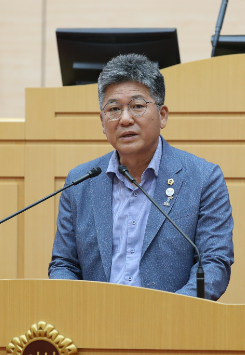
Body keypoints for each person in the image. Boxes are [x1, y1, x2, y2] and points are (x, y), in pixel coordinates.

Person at [48, 54, 234, 300]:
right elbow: (64, 264)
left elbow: (214, 263)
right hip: (94, 326)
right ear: (102, 122)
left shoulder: (203, 178)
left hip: (171, 328)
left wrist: (170, 313)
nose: (125, 119)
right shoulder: (81, 181)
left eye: (137, 106)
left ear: (163, 115)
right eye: (113, 109)